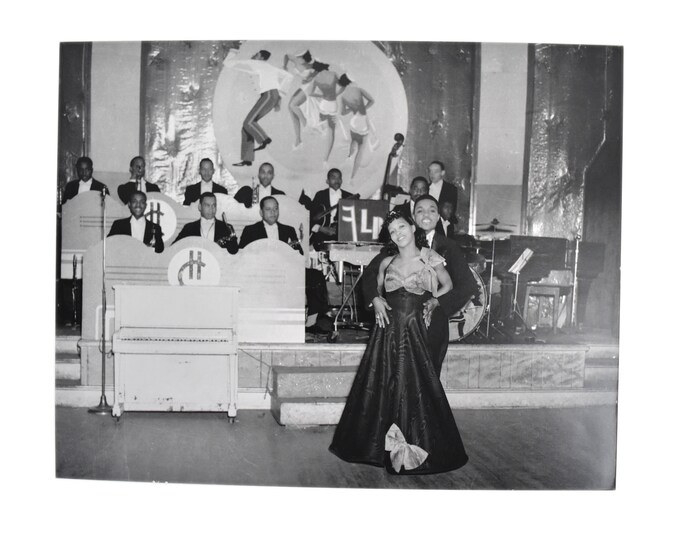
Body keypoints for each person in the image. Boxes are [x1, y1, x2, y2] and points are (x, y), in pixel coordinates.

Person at [329, 210, 468, 475]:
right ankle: (382, 448)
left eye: (401, 227)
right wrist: (377, 300)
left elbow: (448, 284)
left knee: (415, 382)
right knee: (385, 382)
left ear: (412, 228)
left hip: (417, 330)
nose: (398, 234)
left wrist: (435, 301)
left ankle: (415, 446)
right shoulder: (386, 261)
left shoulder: (430, 257)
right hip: (388, 332)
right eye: (393, 231)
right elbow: (374, 288)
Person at [363, 195, 478, 375]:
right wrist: (375, 298)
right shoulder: (397, 243)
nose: (426, 214)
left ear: (439, 216)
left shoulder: (450, 247)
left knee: (427, 379)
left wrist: (438, 301)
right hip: (399, 326)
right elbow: (370, 274)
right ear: (413, 218)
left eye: (432, 210)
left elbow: (467, 286)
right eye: (419, 210)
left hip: (433, 325)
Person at [224, 50, 294, 167]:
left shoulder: (256, 63)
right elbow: (289, 76)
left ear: (261, 57)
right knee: (247, 126)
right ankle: (247, 159)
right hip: (271, 96)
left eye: (256, 54)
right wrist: (280, 95)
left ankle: (264, 139)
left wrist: (232, 51)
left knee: (248, 122)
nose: (253, 55)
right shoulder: (269, 67)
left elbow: (229, 63)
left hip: (269, 95)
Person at [338, 73, 376, 178]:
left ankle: (348, 159)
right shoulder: (359, 90)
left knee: (353, 142)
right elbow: (372, 101)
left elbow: (343, 112)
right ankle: (353, 176)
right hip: (362, 122)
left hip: (354, 122)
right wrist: (363, 107)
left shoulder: (343, 96)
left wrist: (353, 108)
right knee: (360, 150)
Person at [173, 192, 239, 254]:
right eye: (207, 205)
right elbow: (174, 249)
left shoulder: (226, 227)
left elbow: (234, 253)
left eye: (214, 205)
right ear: (200, 207)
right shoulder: (189, 228)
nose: (211, 209)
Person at [239, 196, 303, 255]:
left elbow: (300, 256)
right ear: (261, 212)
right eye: (268, 209)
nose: (273, 212)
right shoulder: (249, 230)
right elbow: (241, 255)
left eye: (275, 208)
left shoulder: (289, 230)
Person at [309, 168, 355, 248]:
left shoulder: (349, 196)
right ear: (327, 181)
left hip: (344, 237)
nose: (337, 180)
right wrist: (321, 228)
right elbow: (311, 217)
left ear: (341, 180)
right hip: (322, 235)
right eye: (333, 178)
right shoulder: (320, 195)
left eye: (339, 178)